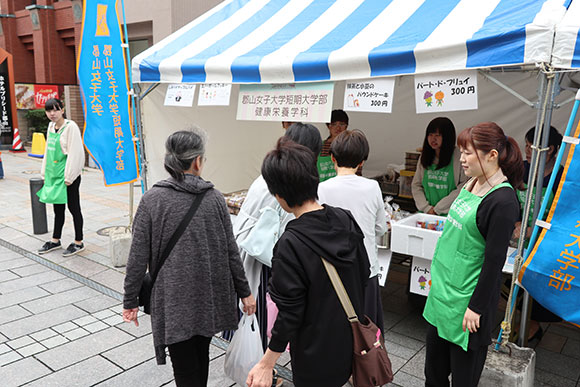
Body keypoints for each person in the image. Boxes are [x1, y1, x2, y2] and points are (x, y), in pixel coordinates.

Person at [122, 128, 256, 387]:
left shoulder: (152, 200)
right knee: (201, 356)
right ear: (197, 161)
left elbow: (136, 258)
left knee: (184, 369)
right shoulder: (215, 199)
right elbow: (231, 250)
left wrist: (130, 301)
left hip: (172, 303)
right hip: (207, 298)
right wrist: (245, 292)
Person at [247, 139, 369, 387]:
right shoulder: (344, 219)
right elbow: (364, 272)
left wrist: (267, 363)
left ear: (279, 195)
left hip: (314, 353)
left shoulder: (290, 243)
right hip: (348, 341)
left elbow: (290, 313)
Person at [423, 122, 522, 387]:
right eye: (462, 152)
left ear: (492, 155)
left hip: (468, 304)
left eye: (468, 153)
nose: (462, 159)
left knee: (463, 379)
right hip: (442, 294)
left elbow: (493, 262)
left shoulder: (502, 201)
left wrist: (476, 308)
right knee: (433, 374)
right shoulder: (471, 183)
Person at [227, 123, 322, 352]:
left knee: (256, 318)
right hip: (263, 260)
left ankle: (259, 365)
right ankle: (261, 370)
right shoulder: (285, 180)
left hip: (251, 251)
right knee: (262, 316)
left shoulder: (269, 174)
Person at [318, 129, 387, 333]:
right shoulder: (373, 187)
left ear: (332, 158)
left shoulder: (321, 188)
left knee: (333, 329)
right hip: (366, 269)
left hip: (331, 270)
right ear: (362, 161)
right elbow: (380, 227)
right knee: (366, 331)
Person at [514, 126, 564, 340]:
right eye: (526, 145)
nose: (527, 150)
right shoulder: (521, 169)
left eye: (532, 146)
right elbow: (512, 197)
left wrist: (534, 229)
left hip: (545, 243)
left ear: (550, 149)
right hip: (518, 239)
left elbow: (562, 215)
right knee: (515, 281)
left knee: (535, 284)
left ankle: (532, 326)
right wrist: (516, 222)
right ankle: (518, 321)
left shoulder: (560, 176)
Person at [37, 98, 86, 257]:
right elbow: (47, 152)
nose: (52, 114)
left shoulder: (70, 127)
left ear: (62, 110)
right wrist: (44, 173)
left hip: (68, 175)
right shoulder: (51, 127)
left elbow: (76, 152)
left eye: (56, 110)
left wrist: (69, 176)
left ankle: (79, 242)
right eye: (49, 110)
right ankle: (55, 240)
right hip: (54, 174)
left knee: (73, 207)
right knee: (58, 208)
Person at [412, 117, 467, 216]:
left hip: (450, 214)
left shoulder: (459, 157)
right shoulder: (424, 156)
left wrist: (438, 209)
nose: (433, 139)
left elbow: (463, 187)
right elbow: (416, 185)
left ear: (447, 137)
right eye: (430, 135)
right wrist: (426, 208)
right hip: (426, 213)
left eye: (438, 135)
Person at [318, 109, 362, 181]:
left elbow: (358, 172)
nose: (338, 128)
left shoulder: (352, 146)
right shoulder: (320, 146)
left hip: (345, 188)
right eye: (334, 124)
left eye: (341, 124)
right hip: (322, 189)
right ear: (328, 126)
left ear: (346, 126)